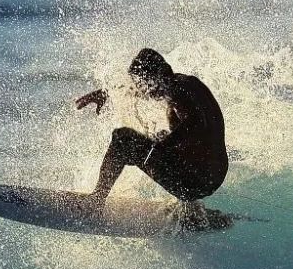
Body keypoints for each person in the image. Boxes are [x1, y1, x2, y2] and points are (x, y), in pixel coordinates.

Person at [76, 48, 228, 209]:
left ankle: (95, 201)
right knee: (160, 135)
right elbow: (198, 131)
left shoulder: (177, 91)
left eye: (144, 84)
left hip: (195, 181)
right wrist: (107, 93)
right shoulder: (187, 84)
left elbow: (196, 122)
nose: (144, 91)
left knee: (123, 139)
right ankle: (191, 209)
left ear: (158, 76)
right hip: (211, 177)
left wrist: (161, 147)